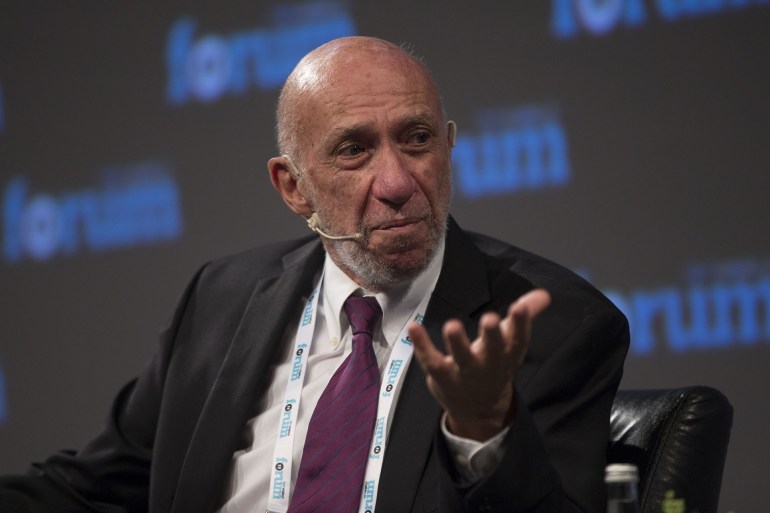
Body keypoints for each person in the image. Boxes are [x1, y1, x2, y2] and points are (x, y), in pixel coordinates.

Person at [0, 36, 629, 513]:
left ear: (449, 146)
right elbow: (97, 487)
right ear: (293, 187)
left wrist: (483, 432)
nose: (398, 183)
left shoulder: (555, 326)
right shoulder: (223, 299)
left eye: (417, 139)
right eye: (354, 150)